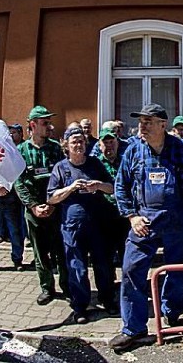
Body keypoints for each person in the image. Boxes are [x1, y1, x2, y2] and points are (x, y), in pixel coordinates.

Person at [109, 104, 183, 352]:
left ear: (163, 125)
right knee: (131, 269)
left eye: (148, 121)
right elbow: (121, 186)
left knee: (178, 270)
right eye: (141, 121)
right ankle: (133, 328)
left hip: (177, 219)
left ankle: (172, 316)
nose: (142, 125)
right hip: (144, 220)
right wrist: (131, 216)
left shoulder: (180, 149)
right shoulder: (133, 150)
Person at [48, 126, 118, 323]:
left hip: (98, 225)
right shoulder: (60, 168)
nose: (78, 145)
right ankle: (80, 306)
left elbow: (112, 188)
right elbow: (51, 198)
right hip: (72, 227)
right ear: (66, 146)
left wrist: (98, 185)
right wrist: (70, 188)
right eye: (74, 142)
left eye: (81, 141)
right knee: (76, 267)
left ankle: (107, 299)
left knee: (103, 265)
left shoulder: (95, 164)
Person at [14, 105, 69, 305]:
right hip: (33, 210)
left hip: (55, 208)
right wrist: (33, 206)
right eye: (45, 123)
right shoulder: (20, 150)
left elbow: (64, 176)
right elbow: (18, 182)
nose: (50, 126)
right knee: (40, 253)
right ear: (33, 125)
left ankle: (67, 286)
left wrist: (54, 204)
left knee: (61, 251)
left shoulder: (55, 148)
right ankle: (47, 287)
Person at [93, 126, 128, 266]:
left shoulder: (126, 162)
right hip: (103, 215)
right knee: (105, 255)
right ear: (99, 145)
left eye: (111, 142)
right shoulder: (94, 164)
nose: (109, 146)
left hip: (123, 215)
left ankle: (129, 286)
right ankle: (108, 285)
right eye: (105, 143)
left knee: (127, 254)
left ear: (118, 143)